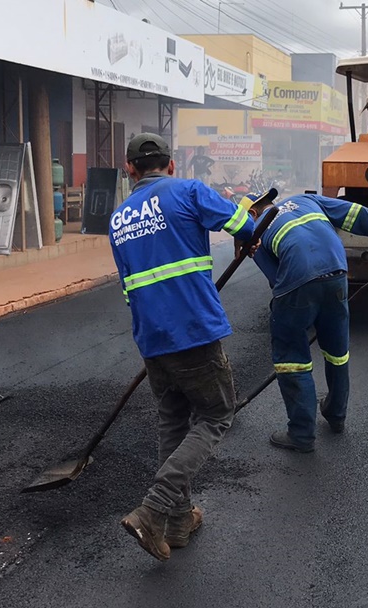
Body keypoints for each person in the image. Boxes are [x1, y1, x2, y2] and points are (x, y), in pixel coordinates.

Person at [112, 133, 256, 562]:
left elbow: (127, 289)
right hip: (193, 329)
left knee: (173, 425)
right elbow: (242, 226)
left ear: (130, 169)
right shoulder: (189, 190)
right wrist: (247, 224)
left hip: (151, 338)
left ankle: (177, 524)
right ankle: (153, 509)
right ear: (171, 165)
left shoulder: (118, 218)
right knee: (216, 414)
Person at [244, 191, 368, 453]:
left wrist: (284, 308)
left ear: (251, 213)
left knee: (291, 358)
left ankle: (301, 434)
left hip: (297, 284)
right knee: (337, 352)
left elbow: (276, 280)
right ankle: (336, 414)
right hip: (337, 275)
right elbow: (357, 214)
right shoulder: (307, 201)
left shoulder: (256, 231)